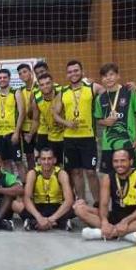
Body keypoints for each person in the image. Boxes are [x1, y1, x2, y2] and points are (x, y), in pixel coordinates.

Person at [74, 149, 136, 243]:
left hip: (135, 219)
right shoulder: (107, 178)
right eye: (116, 161)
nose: (119, 164)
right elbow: (104, 204)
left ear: (130, 161)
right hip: (115, 216)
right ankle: (127, 234)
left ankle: (105, 233)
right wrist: (104, 221)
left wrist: (126, 221)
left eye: (123, 160)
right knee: (79, 209)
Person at [53, 60, 101, 204]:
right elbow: (54, 113)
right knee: (76, 172)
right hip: (69, 138)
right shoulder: (63, 92)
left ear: (82, 72)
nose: (73, 74)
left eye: (76, 71)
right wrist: (66, 122)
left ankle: (99, 203)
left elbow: (112, 91)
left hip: (88, 138)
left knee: (91, 172)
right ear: (67, 75)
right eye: (70, 72)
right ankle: (81, 203)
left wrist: (129, 88)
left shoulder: (93, 87)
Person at [94, 62, 136, 173]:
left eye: (111, 74)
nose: (108, 78)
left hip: (129, 142)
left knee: (133, 174)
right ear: (101, 79)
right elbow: (98, 120)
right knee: (109, 176)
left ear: (118, 76)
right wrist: (105, 122)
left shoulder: (129, 91)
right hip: (108, 145)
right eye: (105, 76)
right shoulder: (100, 98)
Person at [14, 147, 75, 231]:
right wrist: (39, 217)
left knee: (77, 206)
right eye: (43, 159)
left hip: (57, 206)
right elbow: (27, 199)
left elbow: (69, 200)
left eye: (49, 159)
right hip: (39, 206)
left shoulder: (61, 173)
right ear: (38, 161)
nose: (46, 162)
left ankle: (34, 223)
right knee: (15, 204)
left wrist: (51, 219)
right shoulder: (32, 173)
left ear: (54, 160)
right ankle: (60, 223)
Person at [0, 69, 25, 179]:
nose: (2, 80)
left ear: (9, 78)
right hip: (0, 134)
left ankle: (24, 186)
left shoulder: (16, 93)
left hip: (12, 133)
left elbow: (22, 113)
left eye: (5, 77)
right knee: (5, 162)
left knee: (18, 162)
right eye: (0, 78)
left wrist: (16, 132)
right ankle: (11, 184)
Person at [33, 73, 64, 162]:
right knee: (53, 165)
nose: (45, 86)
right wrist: (31, 134)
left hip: (66, 136)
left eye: (48, 83)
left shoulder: (63, 93)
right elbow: (35, 120)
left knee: (69, 169)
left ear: (53, 83)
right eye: (42, 85)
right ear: (39, 87)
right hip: (51, 137)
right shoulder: (37, 100)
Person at [17, 63, 39, 170]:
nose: (23, 75)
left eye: (25, 72)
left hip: (39, 129)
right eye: (20, 73)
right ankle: (32, 178)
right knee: (29, 156)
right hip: (25, 128)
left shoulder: (40, 87)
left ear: (31, 72)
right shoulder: (20, 91)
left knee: (41, 156)